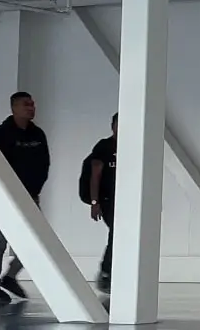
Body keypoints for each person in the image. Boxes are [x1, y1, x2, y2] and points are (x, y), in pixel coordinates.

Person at [0, 92, 49, 303]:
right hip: (2, 198)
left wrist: (35, 192)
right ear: (14, 108)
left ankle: (10, 276)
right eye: (27, 104)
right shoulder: (1, 135)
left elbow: (45, 164)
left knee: (38, 241)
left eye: (33, 104)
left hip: (30, 197)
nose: (31, 108)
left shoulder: (38, 134)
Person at [88, 114, 118, 294]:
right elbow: (95, 175)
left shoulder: (134, 145)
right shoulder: (104, 147)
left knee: (120, 235)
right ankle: (106, 271)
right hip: (108, 200)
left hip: (127, 200)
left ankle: (111, 271)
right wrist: (94, 201)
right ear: (112, 126)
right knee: (117, 233)